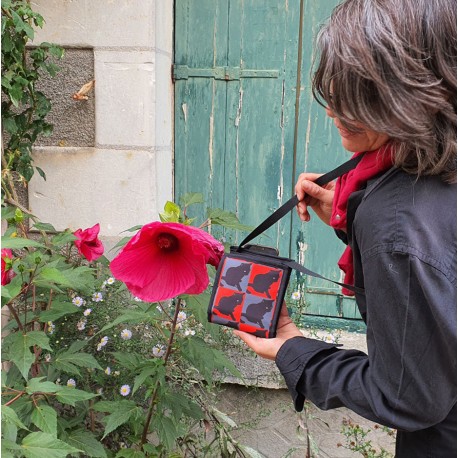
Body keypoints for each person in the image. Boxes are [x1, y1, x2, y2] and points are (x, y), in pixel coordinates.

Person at [233, 0, 457, 456]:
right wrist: (348, 210)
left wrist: (293, 349)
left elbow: (410, 398)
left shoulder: (397, 222)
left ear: (412, 91)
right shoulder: (435, 163)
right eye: (336, 86)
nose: (332, 108)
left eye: (357, 92)